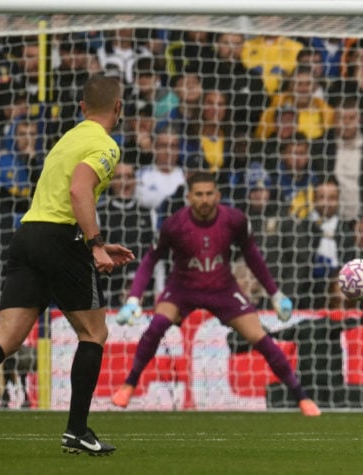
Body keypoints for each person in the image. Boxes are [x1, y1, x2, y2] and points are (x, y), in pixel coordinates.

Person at [0, 74, 134, 459]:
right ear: (118, 107)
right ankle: (76, 431)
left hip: (28, 234)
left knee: (7, 336)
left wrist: (94, 243)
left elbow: (63, 194)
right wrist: (96, 245)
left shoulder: (68, 137)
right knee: (94, 332)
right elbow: (79, 190)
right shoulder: (105, 144)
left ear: (82, 108)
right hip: (60, 238)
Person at [110, 172, 319, 416]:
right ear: (189, 197)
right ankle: (129, 384)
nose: (205, 199)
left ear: (218, 195)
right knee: (156, 326)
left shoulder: (235, 220)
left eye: (210, 194)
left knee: (262, 339)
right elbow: (150, 259)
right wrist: (134, 298)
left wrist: (275, 293)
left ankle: (301, 397)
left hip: (223, 289)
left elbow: (252, 255)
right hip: (182, 288)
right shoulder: (174, 225)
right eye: (199, 194)